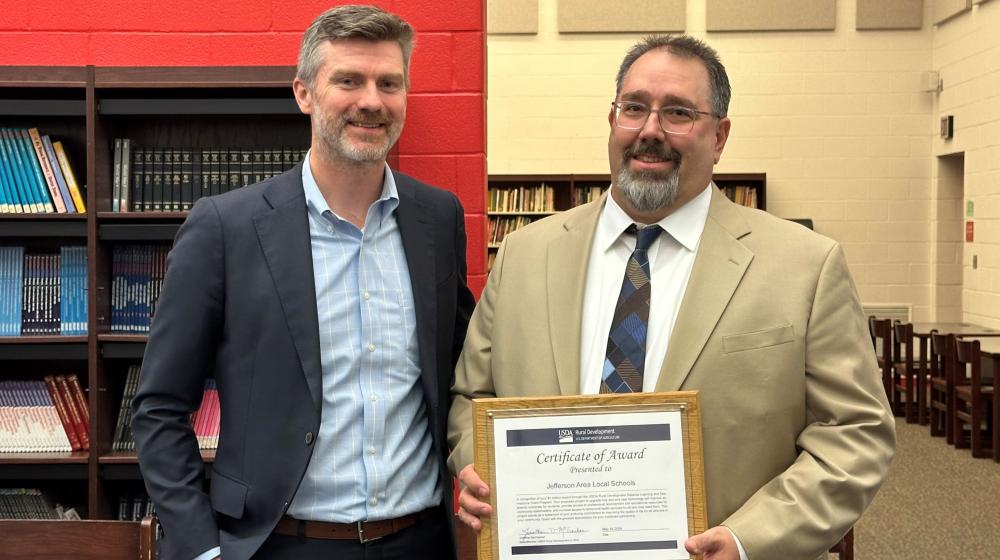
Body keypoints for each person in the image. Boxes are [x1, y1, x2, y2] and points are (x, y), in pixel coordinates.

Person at [447, 35, 894, 560]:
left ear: (720, 136)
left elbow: (855, 434)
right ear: (612, 120)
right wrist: (480, 463)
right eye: (634, 108)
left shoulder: (805, 267)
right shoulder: (525, 255)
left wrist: (751, 539)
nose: (650, 131)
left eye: (678, 112)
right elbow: (473, 396)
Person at [132, 5, 475, 560]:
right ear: (304, 93)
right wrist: (201, 548)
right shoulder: (226, 227)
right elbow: (159, 408)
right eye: (348, 80)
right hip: (280, 544)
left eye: (390, 83)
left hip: (422, 542)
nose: (371, 100)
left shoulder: (438, 218)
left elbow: (462, 375)